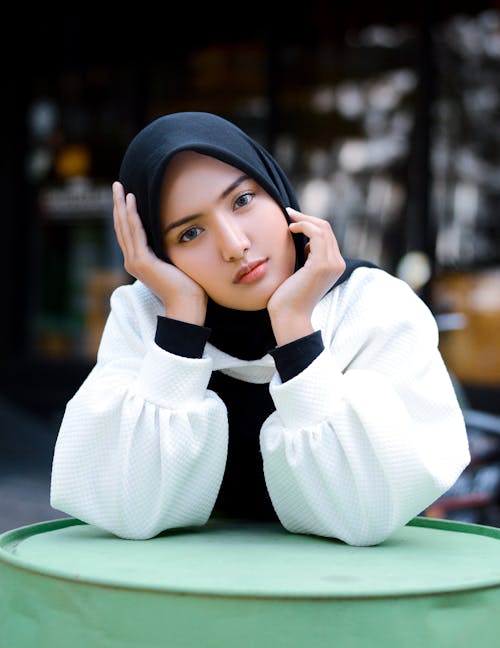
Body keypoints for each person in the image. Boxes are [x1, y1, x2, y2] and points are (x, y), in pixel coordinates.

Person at [50, 111, 470, 546]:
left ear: (275, 190)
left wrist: (293, 328)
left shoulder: (372, 307)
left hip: (350, 596)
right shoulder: (145, 316)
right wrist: (180, 323)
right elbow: (128, 509)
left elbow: (365, 516)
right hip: (190, 593)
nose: (234, 245)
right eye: (190, 233)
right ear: (157, 252)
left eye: (243, 200)